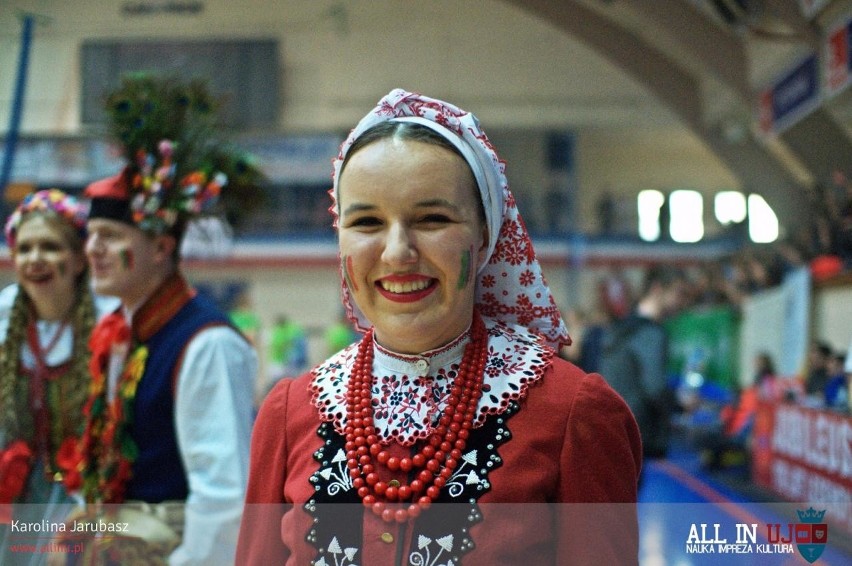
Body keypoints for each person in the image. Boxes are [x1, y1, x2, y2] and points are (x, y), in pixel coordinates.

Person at [237, 89, 641, 565]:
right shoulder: (289, 415)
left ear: (485, 232)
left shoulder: (574, 414)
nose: (396, 253)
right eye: (366, 222)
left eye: (432, 218)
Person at [66, 147, 258, 563]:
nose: (93, 249)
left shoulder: (207, 343)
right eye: (91, 234)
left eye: (111, 236)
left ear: (160, 248)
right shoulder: (119, 331)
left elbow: (225, 498)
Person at [0, 190, 119, 563]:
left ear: (79, 259)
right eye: (25, 248)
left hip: (86, 502)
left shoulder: (110, 325)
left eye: (50, 247)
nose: (35, 259)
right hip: (15, 499)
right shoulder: (4, 323)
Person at [598, 264, 685, 463]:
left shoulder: (619, 329)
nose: (680, 302)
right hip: (635, 431)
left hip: (610, 427)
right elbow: (653, 387)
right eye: (678, 293)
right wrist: (678, 405)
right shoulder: (651, 333)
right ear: (657, 289)